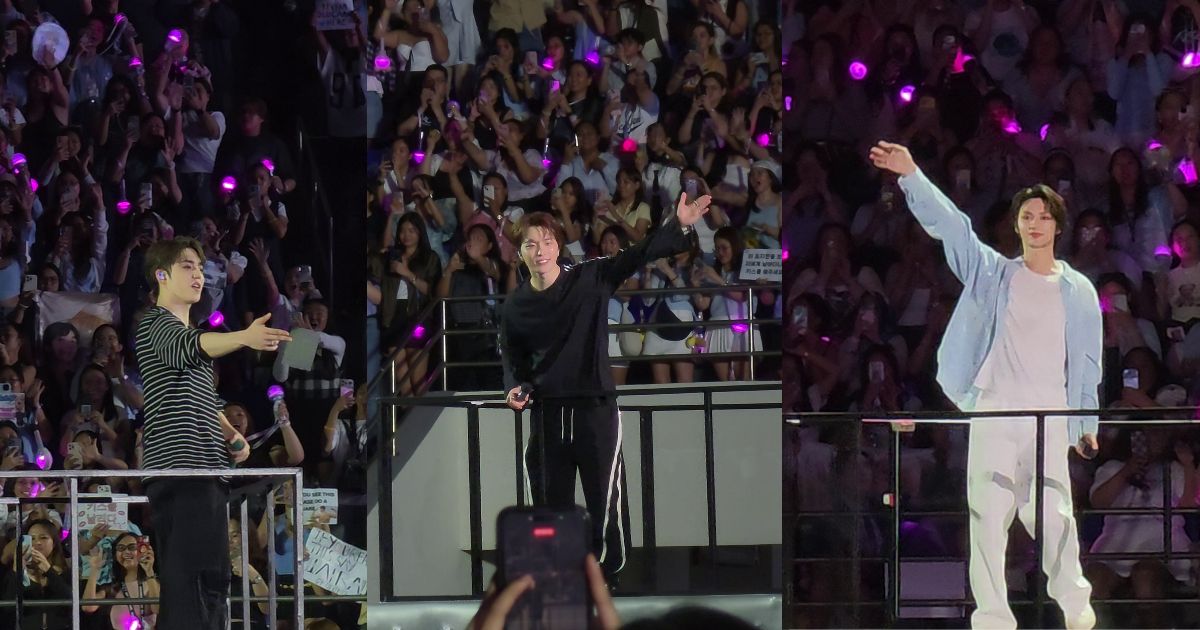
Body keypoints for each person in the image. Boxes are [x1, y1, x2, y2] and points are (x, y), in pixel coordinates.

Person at [870, 140, 1100, 630]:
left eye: (1043, 216)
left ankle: (1074, 601)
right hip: (996, 408)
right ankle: (993, 617)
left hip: (1050, 413)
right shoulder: (994, 274)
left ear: (1057, 225)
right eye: (1026, 216)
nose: (1035, 224)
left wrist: (1086, 423)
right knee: (988, 517)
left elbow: (1087, 362)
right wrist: (911, 175)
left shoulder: (1078, 289)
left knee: (1053, 514)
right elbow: (953, 227)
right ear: (1016, 225)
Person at [500, 192, 711, 583]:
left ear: (558, 246)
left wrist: (677, 225)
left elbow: (636, 255)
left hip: (594, 407)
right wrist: (515, 387)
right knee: (548, 501)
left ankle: (606, 574)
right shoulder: (515, 305)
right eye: (531, 244)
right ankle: (555, 575)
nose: (540, 251)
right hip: (547, 411)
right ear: (520, 252)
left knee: (604, 498)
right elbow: (512, 356)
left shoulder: (589, 278)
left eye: (547, 241)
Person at [133, 237, 290, 629]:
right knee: (192, 581)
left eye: (201, 268)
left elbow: (202, 393)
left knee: (212, 578)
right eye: (187, 266)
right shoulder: (155, 324)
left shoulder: (192, 333)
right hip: (181, 470)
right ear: (161, 275)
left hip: (206, 470)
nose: (198, 275)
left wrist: (230, 433)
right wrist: (244, 337)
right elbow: (189, 346)